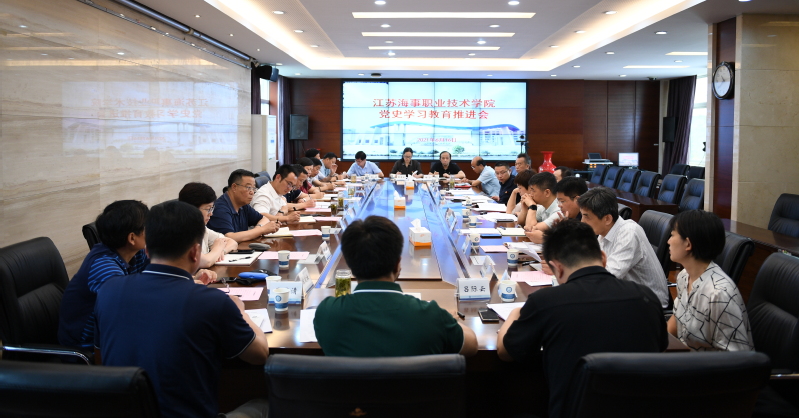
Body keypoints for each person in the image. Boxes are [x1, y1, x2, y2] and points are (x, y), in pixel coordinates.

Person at [94, 201, 270, 418]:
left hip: (122, 411)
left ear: (147, 250)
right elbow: (260, 354)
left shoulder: (109, 290)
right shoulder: (214, 302)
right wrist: (240, 309)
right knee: (265, 404)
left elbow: (101, 353)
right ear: (196, 252)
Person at [498, 220, 668, 418]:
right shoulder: (646, 297)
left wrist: (515, 313)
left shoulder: (545, 301)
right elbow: (660, 348)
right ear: (603, 258)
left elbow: (506, 352)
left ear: (557, 268)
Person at [314, 216, 477, 357]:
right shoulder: (431, 316)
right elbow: (472, 344)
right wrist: (448, 320)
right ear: (398, 263)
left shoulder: (327, 314)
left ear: (350, 265)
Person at [58, 200, 150, 350]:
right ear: (132, 238)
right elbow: (128, 309)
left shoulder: (134, 252)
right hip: (87, 347)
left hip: (113, 334)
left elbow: (162, 271)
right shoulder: (103, 267)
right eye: (148, 226)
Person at [667, 210, 754, 351]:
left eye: (672, 235)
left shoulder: (719, 294)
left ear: (688, 244)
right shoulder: (684, 276)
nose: (668, 241)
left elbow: (737, 357)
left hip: (707, 364)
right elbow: (676, 320)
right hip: (684, 357)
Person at [578, 187, 670, 308]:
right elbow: (593, 265)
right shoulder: (603, 233)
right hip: (625, 296)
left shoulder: (628, 233)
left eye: (587, 216)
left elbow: (607, 277)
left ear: (607, 219)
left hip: (648, 305)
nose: (582, 221)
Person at [207, 169, 280, 241]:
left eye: (253, 188)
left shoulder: (243, 204)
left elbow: (264, 219)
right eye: (248, 187)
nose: (252, 192)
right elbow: (229, 238)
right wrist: (261, 230)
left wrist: (258, 228)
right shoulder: (220, 209)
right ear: (234, 187)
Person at [178, 182, 239, 267]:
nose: (211, 214)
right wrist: (217, 249)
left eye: (212, 208)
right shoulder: (180, 231)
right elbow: (206, 261)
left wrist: (222, 251)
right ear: (192, 209)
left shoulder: (201, 228)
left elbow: (232, 242)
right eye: (208, 209)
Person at [521, 172, 560, 239]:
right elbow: (521, 223)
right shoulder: (543, 207)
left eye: (533, 190)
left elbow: (530, 230)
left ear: (547, 192)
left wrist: (532, 206)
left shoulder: (559, 210)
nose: (530, 194)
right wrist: (524, 209)